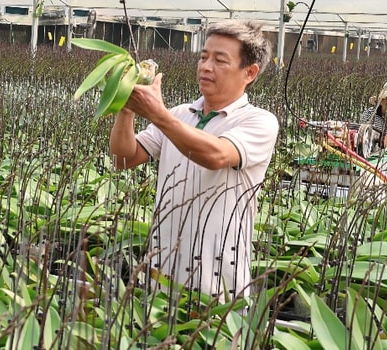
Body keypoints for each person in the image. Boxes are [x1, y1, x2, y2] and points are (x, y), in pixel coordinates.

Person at [108, 20, 279, 298]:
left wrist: (157, 114)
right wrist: (126, 106)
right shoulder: (179, 115)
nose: (206, 66)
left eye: (220, 60)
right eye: (203, 57)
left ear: (249, 72)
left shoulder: (259, 122)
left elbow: (216, 155)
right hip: (161, 275)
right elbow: (124, 158)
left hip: (217, 286)